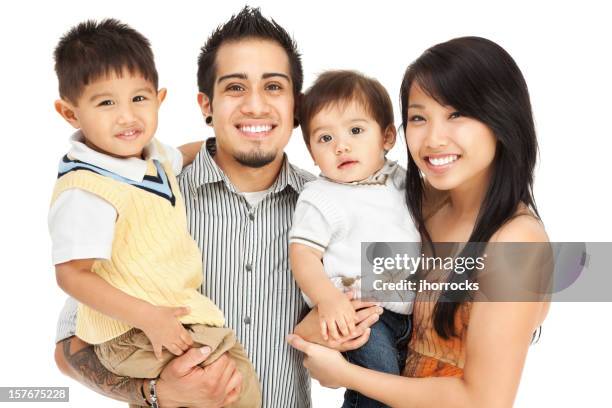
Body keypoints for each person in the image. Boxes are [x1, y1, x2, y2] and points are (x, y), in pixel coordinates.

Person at [53, 7, 381, 407]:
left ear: (297, 106)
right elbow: (69, 349)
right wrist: (157, 392)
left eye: (274, 87)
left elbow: (355, 355)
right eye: (235, 88)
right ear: (205, 104)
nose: (256, 106)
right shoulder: (150, 198)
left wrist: (328, 336)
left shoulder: (332, 210)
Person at [288, 36, 550, 407]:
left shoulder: (517, 242)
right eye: (418, 117)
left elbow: (484, 401)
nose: (433, 138)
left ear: (501, 117)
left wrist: (346, 375)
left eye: (456, 114)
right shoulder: (414, 207)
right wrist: (322, 329)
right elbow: (334, 312)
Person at [49, 19, 261, 407]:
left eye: (139, 99)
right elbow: (71, 276)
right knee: (228, 387)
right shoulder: (88, 188)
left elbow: (183, 154)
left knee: (235, 381)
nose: (127, 116)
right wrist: (148, 319)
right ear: (70, 113)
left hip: (177, 321)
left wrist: (234, 138)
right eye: (106, 102)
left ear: (160, 98)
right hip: (135, 327)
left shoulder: (152, 158)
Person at [289, 70, 419, 407]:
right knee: (378, 390)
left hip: (412, 313)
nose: (341, 146)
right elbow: (302, 255)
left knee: (408, 390)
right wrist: (329, 300)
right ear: (311, 151)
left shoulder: (400, 179)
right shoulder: (321, 196)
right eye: (325, 139)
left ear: (387, 136)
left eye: (356, 131)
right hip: (360, 313)